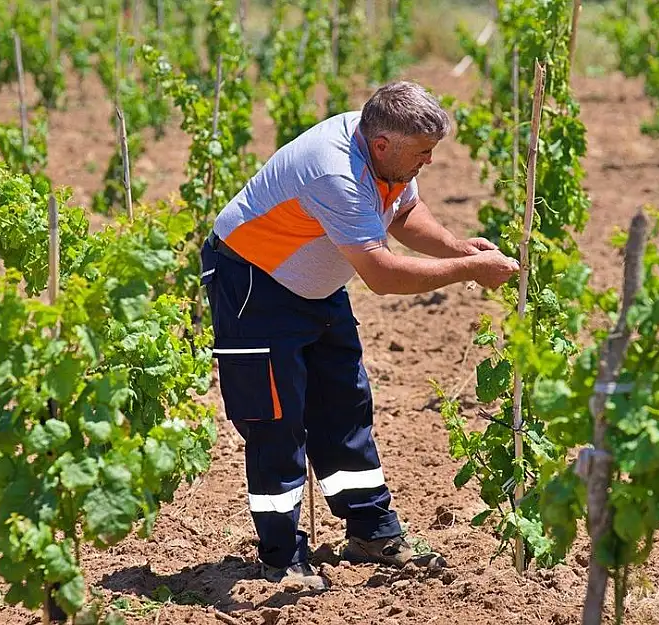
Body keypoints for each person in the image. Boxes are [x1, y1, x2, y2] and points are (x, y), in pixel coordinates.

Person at [200, 81, 519, 590]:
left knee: (345, 402)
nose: (429, 163)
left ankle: (371, 532)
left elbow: (406, 213)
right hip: (254, 282)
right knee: (275, 421)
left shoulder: (386, 151)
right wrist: (468, 270)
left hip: (315, 283)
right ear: (381, 145)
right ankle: (282, 557)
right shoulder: (336, 172)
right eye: (423, 153)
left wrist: (458, 246)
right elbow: (384, 276)